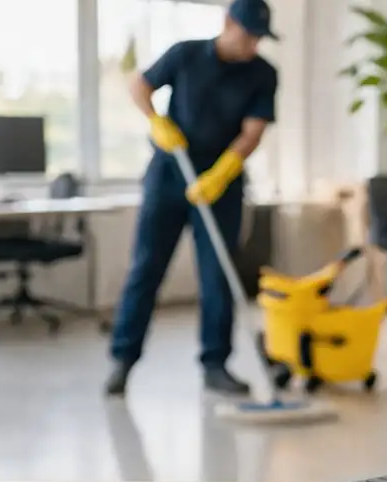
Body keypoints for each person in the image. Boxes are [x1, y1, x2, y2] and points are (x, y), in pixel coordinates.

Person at [104, 0, 280, 396]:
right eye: (247, 34)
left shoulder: (263, 74)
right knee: (146, 267)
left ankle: (216, 365)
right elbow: (139, 84)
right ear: (228, 23)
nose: (252, 44)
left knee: (218, 273)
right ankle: (123, 361)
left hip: (221, 185)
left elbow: (252, 133)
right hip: (169, 173)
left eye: (258, 38)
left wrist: (222, 173)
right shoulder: (185, 54)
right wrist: (156, 121)